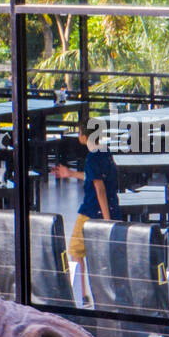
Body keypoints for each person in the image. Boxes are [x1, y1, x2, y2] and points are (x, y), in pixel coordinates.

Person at [53, 127, 121, 306]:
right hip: (109, 209)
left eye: (79, 133)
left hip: (91, 212)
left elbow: (99, 189)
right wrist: (70, 174)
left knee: (75, 251)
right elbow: (93, 178)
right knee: (105, 255)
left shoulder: (91, 158)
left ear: (84, 136)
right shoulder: (104, 152)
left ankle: (82, 295)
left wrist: (107, 221)